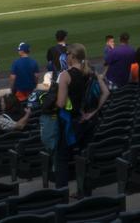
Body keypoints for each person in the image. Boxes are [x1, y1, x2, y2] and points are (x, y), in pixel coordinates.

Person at [53, 43, 111, 189]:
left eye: (67, 54)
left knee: (62, 157)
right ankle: (85, 192)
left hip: (71, 123)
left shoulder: (65, 75)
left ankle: (62, 195)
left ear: (72, 56)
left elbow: (60, 103)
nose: (66, 56)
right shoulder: (91, 72)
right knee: (85, 156)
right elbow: (106, 92)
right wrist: (93, 112)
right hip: (89, 122)